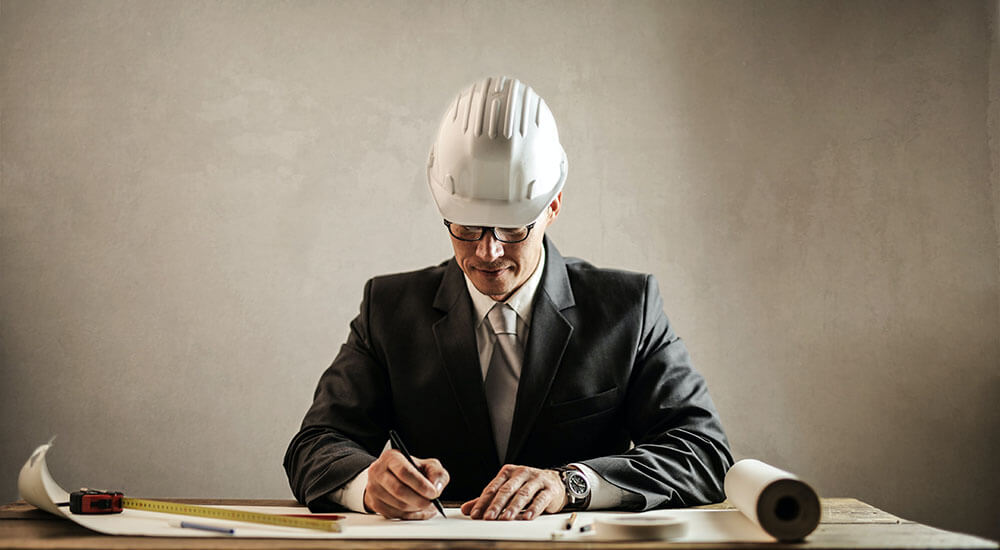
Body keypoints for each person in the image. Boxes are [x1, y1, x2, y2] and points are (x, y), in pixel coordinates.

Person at [284, 76, 733, 521]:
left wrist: (570, 484)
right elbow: (315, 446)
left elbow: (704, 452)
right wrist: (368, 486)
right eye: (465, 227)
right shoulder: (389, 309)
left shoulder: (627, 308)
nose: (487, 252)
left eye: (513, 228)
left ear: (552, 207)